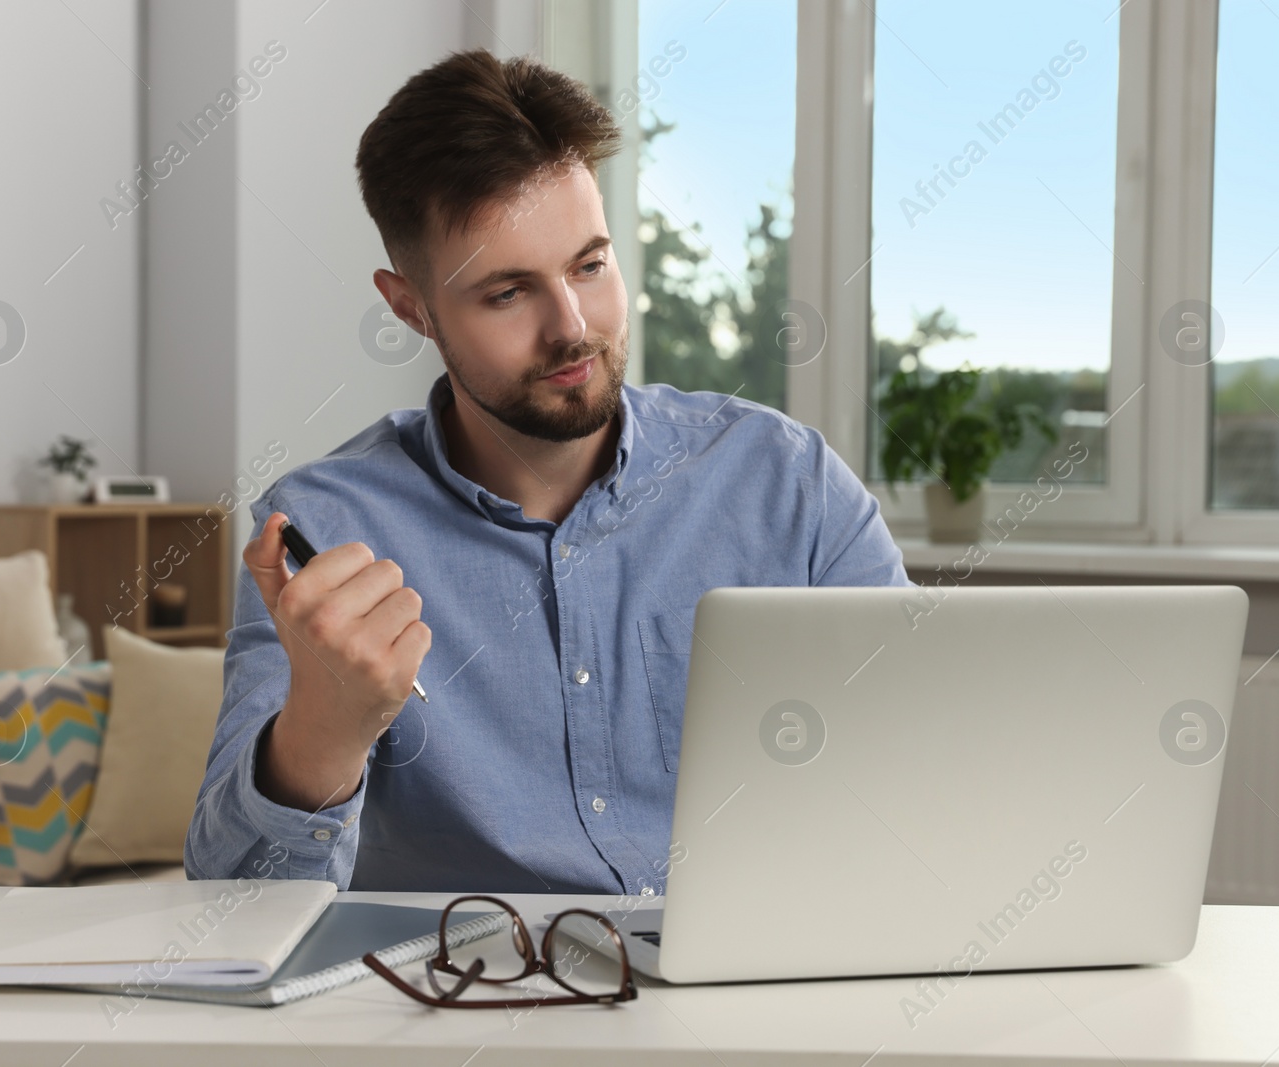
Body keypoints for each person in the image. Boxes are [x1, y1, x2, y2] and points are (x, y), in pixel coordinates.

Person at [185, 48, 910, 894]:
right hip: (467, 1004)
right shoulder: (324, 531)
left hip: (748, 1001)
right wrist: (322, 732)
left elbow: (928, 778)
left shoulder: (790, 488)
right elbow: (232, 909)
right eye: (507, 293)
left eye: (590, 266)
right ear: (409, 306)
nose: (573, 327)